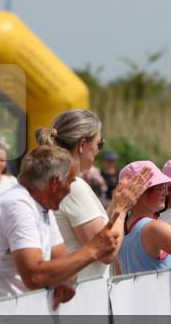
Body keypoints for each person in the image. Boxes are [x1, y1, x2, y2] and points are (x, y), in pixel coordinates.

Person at [0, 146, 124, 302]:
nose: (70, 190)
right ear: (55, 183)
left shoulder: (42, 206)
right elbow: (35, 277)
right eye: (70, 182)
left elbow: (61, 261)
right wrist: (93, 249)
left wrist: (64, 278)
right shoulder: (18, 206)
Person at [36, 110, 147, 280]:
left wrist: (115, 204)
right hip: (82, 290)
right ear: (82, 145)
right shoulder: (73, 187)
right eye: (99, 144)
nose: (99, 151)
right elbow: (106, 252)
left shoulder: (55, 180)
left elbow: (98, 231)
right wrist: (122, 209)